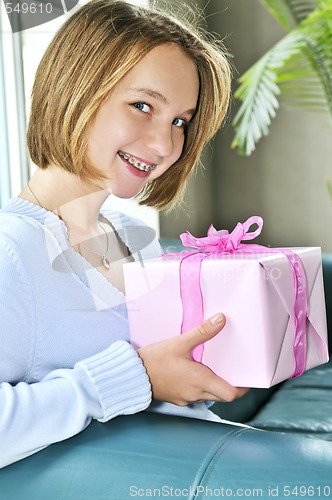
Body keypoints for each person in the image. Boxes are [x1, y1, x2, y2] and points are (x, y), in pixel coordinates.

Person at [0, 0, 248, 469]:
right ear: (76, 90)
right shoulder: (12, 250)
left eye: (180, 121)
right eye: (142, 106)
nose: (164, 144)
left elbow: (161, 403)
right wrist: (136, 377)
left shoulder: (131, 237)